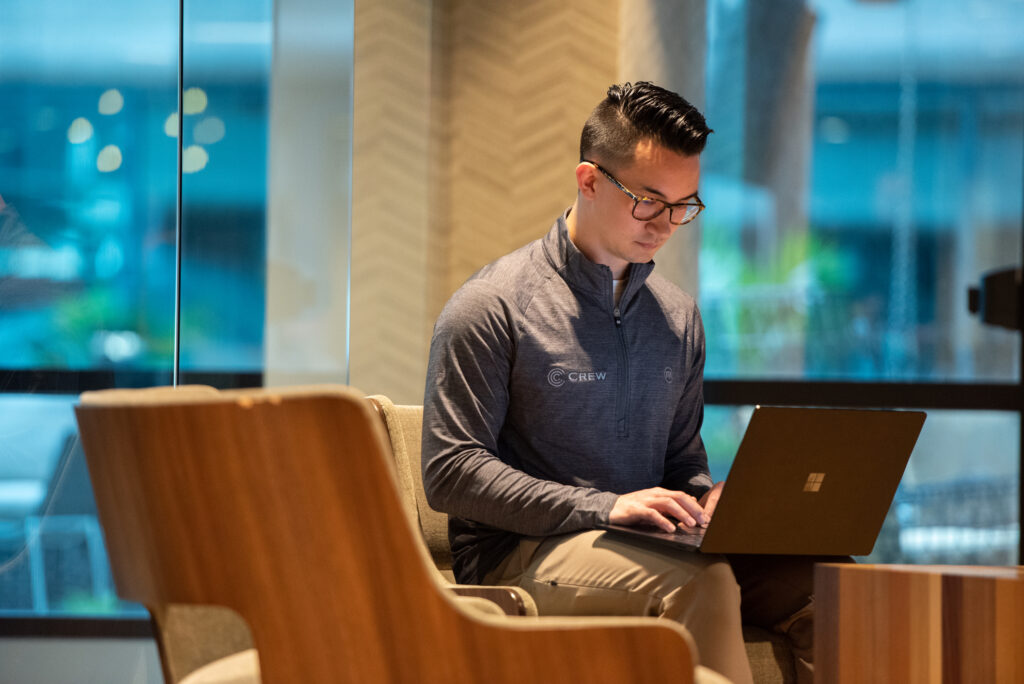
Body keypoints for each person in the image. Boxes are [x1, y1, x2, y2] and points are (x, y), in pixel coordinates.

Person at [422, 82, 822, 684]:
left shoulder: (677, 315)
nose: (666, 224)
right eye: (648, 200)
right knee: (705, 583)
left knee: (830, 584)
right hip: (519, 553)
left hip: (651, 541)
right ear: (588, 181)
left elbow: (681, 459)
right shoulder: (492, 305)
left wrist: (705, 501)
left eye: (685, 204)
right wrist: (605, 507)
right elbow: (450, 471)